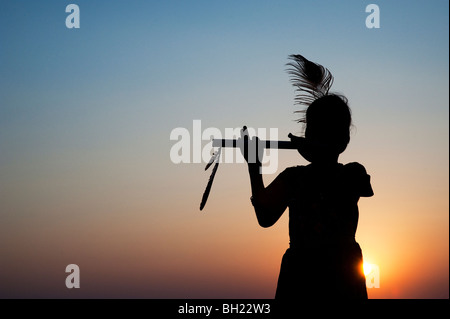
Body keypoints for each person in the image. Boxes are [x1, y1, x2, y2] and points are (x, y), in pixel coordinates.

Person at [239, 55, 374, 300]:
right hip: (309, 276)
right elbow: (265, 217)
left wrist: (312, 151)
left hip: (322, 276)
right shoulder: (294, 178)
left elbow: (265, 217)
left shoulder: (352, 174)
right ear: (345, 139)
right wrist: (253, 166)